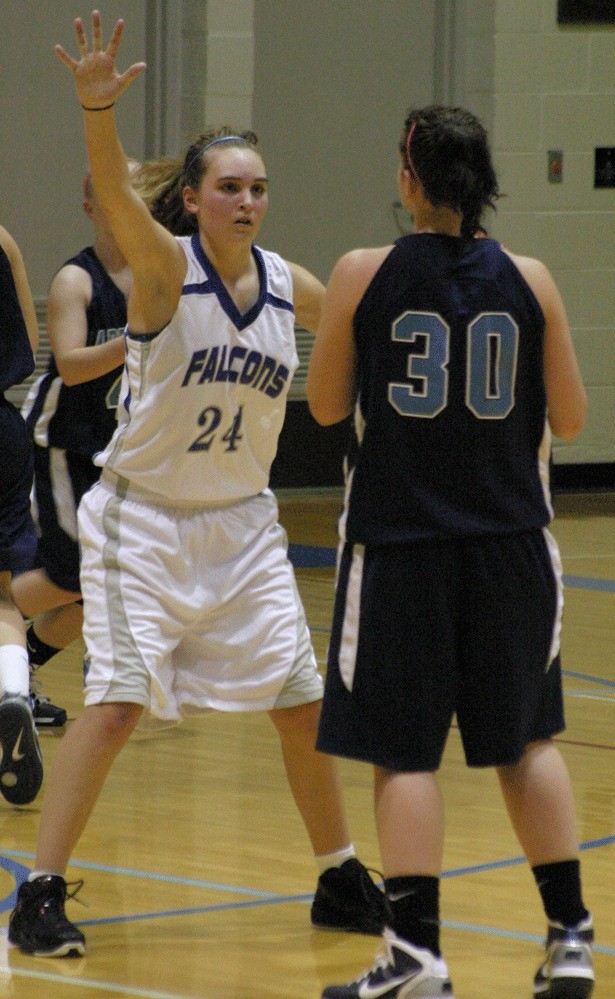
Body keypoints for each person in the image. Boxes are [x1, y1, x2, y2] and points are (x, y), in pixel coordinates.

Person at [8, 12, 384, 958]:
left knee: (301, 699)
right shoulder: (161, 273)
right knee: (119, 702)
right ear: (193, 196)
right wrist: (98, 112)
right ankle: (37, 893)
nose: (248, 201)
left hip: (244, 525)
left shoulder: (287, 279)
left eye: (258, 187)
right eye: (229, 187)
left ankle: (339, 871)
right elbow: (115, 197)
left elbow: (370, 320)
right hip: (147, 522)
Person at [306, 105, 593, 999]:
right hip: (510, 544)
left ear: (410, 178)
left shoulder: (362, 271)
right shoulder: (532, 276)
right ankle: (571, 937)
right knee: (527, 741)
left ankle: (419, 957)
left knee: (405, 755)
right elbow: (575, 418)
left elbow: (321, 408)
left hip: (402, 545)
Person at [13, 164, 142, 729]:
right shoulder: (77, 279)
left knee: (100, 586)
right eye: (114, 188)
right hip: (63, 439)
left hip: (118, 448)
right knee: (71, 573)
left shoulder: (159, 273)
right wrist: (139, 337)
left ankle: (17, 675)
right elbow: (70, 363)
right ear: (91, 205)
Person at [0, 223, 44, 806]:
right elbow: (29, 351)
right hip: (4, 430)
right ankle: (13, 689)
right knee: (5, 597)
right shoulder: (6, 239)